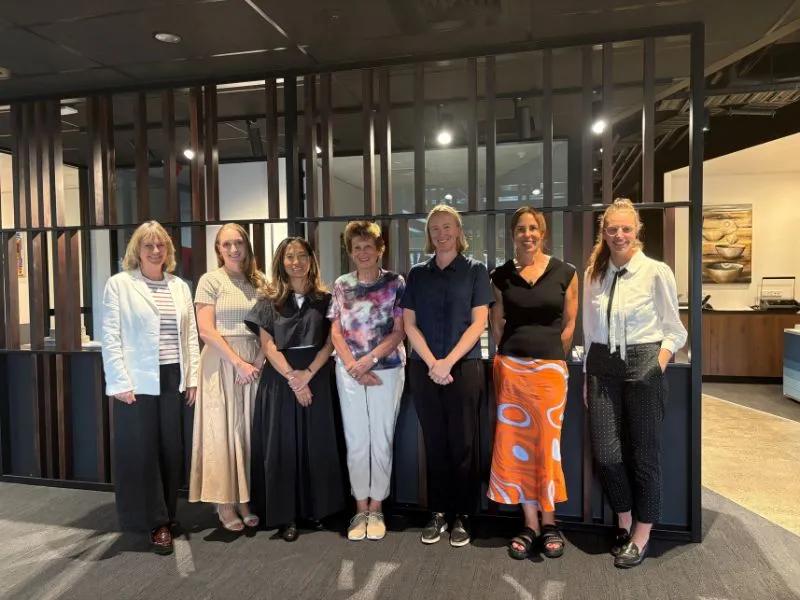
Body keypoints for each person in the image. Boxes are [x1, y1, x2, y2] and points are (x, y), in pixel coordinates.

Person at [583, 198, 687, 568]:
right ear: (604, 232)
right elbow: (589, 330)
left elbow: (675, 331)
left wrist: (656, 367)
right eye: (612, 229)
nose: (619, 235)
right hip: (600, 364)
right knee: (608, 454)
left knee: (644, 455)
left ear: (637, 230)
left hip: (644, 359)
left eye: (626, 228)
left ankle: (642, 532)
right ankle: (624, 516)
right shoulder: (594, 273)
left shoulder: (656, 271)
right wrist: (586, 375)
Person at [101, 220, 200, 555]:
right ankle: (156, 523)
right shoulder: (120, 285)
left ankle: (168, 514)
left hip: (174, 377)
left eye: (161, 246)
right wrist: (119, 382)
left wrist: (193, 378)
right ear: (137, 251)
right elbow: (111, 337)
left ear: (168, 251)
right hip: (138, 381)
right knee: (144, 453)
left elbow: (189, 337)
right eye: (149, 246)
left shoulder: (180, 286)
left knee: (171, 450)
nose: (156, 251)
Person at [488, 207, 578, 560]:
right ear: (513, 234)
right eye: (521, 229)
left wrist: (551, 356)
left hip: (550, 373)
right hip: (511, 370)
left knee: (547, 445)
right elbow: (497, 325)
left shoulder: (565, 273)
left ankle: (551, 521)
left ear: (543, 233)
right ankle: (530, 523)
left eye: (533, 228)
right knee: (515, 446)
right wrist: (512, 355)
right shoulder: (500, 276)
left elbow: (570, 323)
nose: (527, 234)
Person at [401, 204, 493, 547]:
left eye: (447, 227)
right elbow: (409, 324)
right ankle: (438, 512)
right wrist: (432, 363)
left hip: (464, 367)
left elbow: (479, 323)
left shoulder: (475, 271)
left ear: (458, 231)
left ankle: (464, 515)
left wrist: (448, 362)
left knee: (465, 443)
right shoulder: (417, 274)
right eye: (435, 228)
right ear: (429, 235)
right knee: (434, 442)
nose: (441, 234)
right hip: (424, 369)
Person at [244, 237, 345, 542]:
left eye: (302, 255)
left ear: (312, 260)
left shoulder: (326, 298)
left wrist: (308, 374)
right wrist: (293, 378)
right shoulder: (268, 299)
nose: (296, 261)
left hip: (317, 374)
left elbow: (331, 341)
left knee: (317, 443)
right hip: (280, 378)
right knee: (283, 447)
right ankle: (285, 516)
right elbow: (267, 344)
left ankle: (318, 509)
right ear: (281, 262)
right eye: (290, 256)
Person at [328, 221, 406, 542]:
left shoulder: (395, 283)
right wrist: (352, 364)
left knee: (381, 439)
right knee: (357, 440)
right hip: (348, 371)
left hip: (385, 369)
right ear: (351, 252)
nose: (363, 253)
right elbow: (335, 331)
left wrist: (369, 360)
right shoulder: (341, 284)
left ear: (379, 250)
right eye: (357, 247)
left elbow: (399, 330)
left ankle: (377, 506)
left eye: (368, 247)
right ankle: (360, 507)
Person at [189, 224, 265, 531]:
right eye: (226, 244)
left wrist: (258, 360)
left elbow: (267, 326)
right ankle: (223, 502)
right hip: (222, 362)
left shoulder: (258, 281)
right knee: (222, 432)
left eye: (238, 243)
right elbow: (206, 330)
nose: (234, 249)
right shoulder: (210, 281)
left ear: (247, 246)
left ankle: (244, 498)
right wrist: (237, 363)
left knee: (247, 432)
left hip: (254, 362)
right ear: (218, 249)